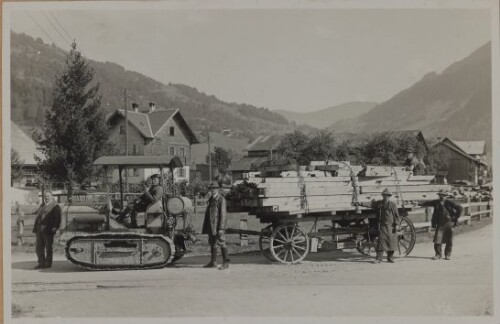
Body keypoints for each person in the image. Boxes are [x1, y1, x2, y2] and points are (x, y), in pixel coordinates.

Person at [359, 188, 400, 263]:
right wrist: (360, 203)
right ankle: (379, 258)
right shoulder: (380, 203)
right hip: (383, 226)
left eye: (387, 195)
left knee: (391, 242)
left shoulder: (393, 204)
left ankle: (390, 258)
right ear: (383, 196)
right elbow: (371, 204)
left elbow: (397, 216)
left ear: (389, 196)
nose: (385, 197)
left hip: (391, 226)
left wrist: (397, 224)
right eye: (384, 195)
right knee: (381, 242)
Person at [421, 189, 463, 260]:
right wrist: (420, 204)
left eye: (443, 195)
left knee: (449, 239)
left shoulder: (449, 203)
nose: (441, 197)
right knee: (438, 239)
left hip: (449, 223)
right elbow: (428, 203)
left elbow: (460, 208)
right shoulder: (436, 202)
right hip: (440, 223)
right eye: (440, 195)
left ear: (446, 196)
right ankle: (438, 254)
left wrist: (456, 217)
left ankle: (448, 255)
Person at [202, 181, 229, 270]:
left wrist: (221, 227)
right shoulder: (211, 199)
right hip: (211, 224)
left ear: (217, 189)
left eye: (214, 188)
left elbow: (223, 214)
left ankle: (226, 263)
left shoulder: (221, 199)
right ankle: (213, 262)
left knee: (222, 242)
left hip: (218, 225)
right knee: (212, 242)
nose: (212, 190)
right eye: (211, 188)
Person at [33, 191, 61, 269]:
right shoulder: (42, 205)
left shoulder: (55, 206)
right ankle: (41, 263)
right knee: (39, 247)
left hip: (48, 229)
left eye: (48, 196)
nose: (46, 198)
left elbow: (57, 218)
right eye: (45, 196)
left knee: (48, 247)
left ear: (52, 197)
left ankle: (48, 263)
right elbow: (38, 214)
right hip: (39, 229)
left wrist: (55, 227)